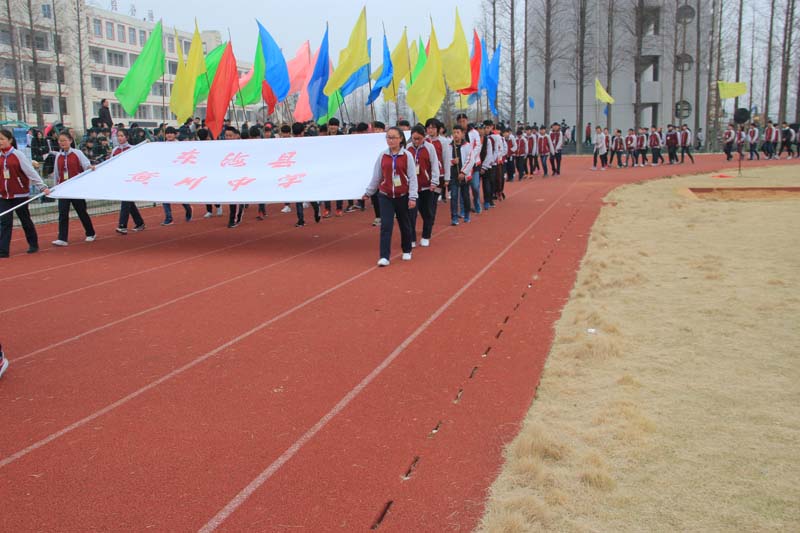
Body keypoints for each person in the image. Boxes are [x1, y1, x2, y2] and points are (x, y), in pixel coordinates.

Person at [363, 126, 417, 267]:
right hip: (385, 195)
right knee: (386, 225)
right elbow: (377, 176)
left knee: (405, 224)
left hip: (402, 196)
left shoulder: (407, 156)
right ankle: (384, 256)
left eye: (393, 137)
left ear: (400, 139)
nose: (390, 140)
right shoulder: (383, 155)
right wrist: (368, 192)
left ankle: (407, 249)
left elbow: (412, 177)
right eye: (388, 137)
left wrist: (412, 197)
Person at [0, 128, 50, 258]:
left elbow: (30, 172)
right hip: (4, 195)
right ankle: (3, 250)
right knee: (5, 222)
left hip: (19, 195)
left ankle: (33, 243)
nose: (0, 142)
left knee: (25, 219)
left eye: (2, 139)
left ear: (10, 140)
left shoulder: (18, 155)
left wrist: (42, 186)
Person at [51, 132, 96, 247]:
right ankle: (62, 238)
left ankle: (90, 233)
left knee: (81, 211)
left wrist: (90, 167)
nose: (62, 143)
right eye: (60, 141)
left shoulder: (77, 153)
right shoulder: (58, 156)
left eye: (64, 140)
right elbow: (57, 173)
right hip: (63, 189)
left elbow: (86, 165)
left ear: (70, 141)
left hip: (76, 189)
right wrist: (55, 187)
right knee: (63, 213)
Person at [407, 125, 440, 247]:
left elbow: (435, 165)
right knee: (411, 214)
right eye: (414, 138)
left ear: (424, 137)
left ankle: (426, 235)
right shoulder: (407, 148)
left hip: (426, 186)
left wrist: (434, 182)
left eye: (419, 138)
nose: (416, 141)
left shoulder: (429, 147)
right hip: (412, 188)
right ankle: (411, 238)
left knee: (427, 213)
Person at [113, 129, 146, 234]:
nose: (119, 138)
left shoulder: (132, 149)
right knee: (128, 202)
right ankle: (139, 222)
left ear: (127, 137)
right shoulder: (115, 150)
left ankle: (122, 225)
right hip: (120, 180)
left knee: (125, 201)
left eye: (122, 136)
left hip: (131, 180)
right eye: (118, 136)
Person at [161, 126, 192, 225]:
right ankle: (169, 218)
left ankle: (188, 209)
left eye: (171, 133)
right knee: (164, 197)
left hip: (177, 175)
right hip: (166, 175)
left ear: (175, 134)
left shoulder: (180, 145)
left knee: (180, 196)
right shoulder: (161, 146)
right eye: (167, 133)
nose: (169, 135)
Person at [448, 125, 473, 226]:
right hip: (453, 176)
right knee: (454, 196)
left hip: (464, 176)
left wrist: (463, 172)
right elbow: (446, 160)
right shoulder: (449, 146)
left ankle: (467, 213)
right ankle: (454, 216)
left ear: (462, 134)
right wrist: (453, 161)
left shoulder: (467, 145)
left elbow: (471, 160)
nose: (456, 135)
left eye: (458, 132)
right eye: (454, 132)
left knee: (465, 195)